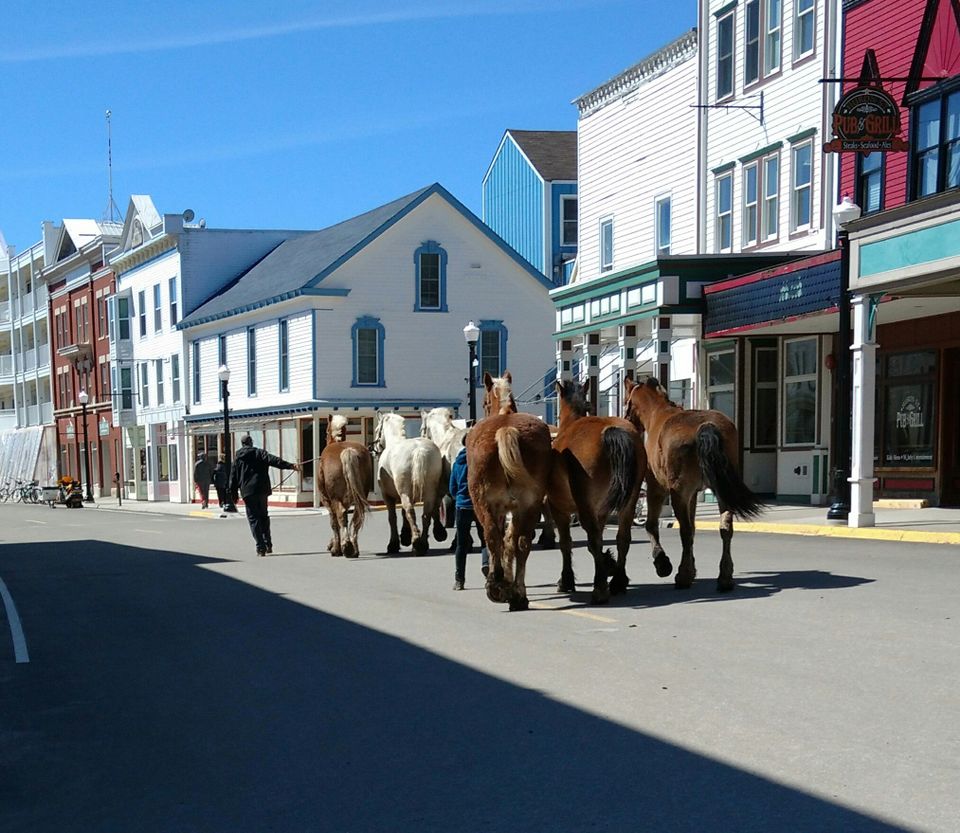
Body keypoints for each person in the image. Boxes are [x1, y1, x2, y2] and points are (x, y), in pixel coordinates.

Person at [229, 434, 300, 556]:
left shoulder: (238, 459)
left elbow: (233, 479)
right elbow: (274, 460)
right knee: (263, 517)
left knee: (254, 519)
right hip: (262, 490)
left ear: (242, 444)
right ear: (251, 443)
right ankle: (268, 544)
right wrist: (290, 466)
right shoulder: (259, 453)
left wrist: (233, 496)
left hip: (248, 493)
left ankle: (260, 547)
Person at [448, 435, 489, 590]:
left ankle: (459, 579)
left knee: (461, 544)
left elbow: (452, 488)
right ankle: (486, 564)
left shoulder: (457, 463)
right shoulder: (481, 461)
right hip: (479, 506)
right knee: (485, 540)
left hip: (462, 507)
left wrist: (459, 498)